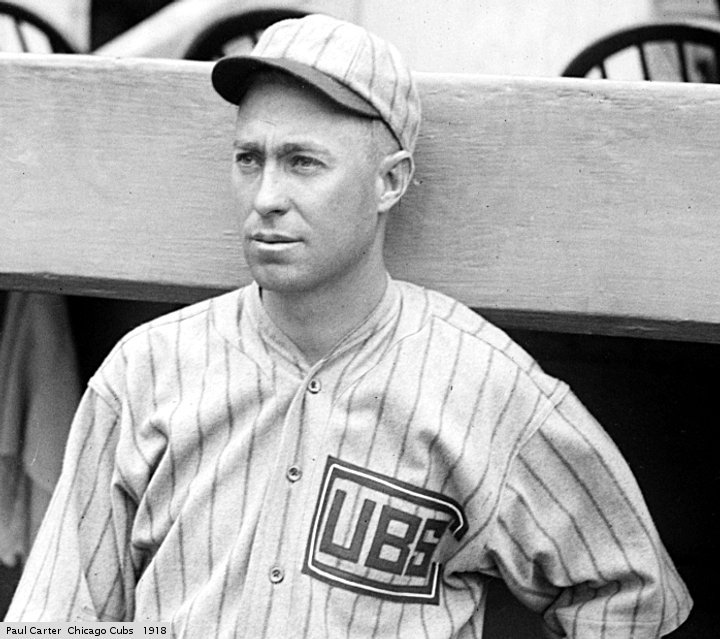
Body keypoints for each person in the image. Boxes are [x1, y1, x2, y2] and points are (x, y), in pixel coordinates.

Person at [6, 13, 691, 638]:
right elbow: (55, 622)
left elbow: (632, 592)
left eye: (303, 162)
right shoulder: (147, 370)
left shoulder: (485, 384)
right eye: (250, 158)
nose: (267, 197)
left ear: (389, 182)